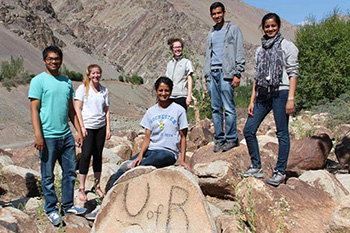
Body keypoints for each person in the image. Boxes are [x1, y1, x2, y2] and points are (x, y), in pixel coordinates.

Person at [28, 46, 86, 226]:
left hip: (66, 135)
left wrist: (77, 131)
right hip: (48, 136)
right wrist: (38, 135)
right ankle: (51, 209)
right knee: (48, 175)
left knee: (69, 172)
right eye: (50, 59)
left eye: (57, 59)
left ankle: (68, 205)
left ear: (61, 60)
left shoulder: (66, 82)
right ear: (45, 61)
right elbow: (34, 109)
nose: (54, 61)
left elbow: (71, 110)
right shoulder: (38, 81)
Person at [241, 13, 299, 186]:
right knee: (248, 130)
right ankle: (256, 166)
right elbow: (257, 77)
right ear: (263, 28)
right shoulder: (260, 50)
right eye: (267, 26)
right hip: (262, 94)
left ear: (278, 26)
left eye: (273, 26)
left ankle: (280, 171)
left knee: (282, 133)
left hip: (280, 93)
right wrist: (252, 100)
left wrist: (291, 98)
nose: (270, 29)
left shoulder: (287, 47)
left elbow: (293, 73)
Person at [204, 2, 246, 153]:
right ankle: (219, 139)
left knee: (228, 107)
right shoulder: (212, 32)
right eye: (214, 14)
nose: (217, 16)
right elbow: (208, 54)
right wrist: (207, 75)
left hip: (226, 72)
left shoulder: (233, 29)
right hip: (212, 73)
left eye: (219, 13)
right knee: (216, 108)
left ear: (224, 13)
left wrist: (238, 73)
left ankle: (231, 138)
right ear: (211, 15)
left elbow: (239, 50)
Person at [74, 64, 111, 202]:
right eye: (93, 73)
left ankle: (97, 185)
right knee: (85, 155)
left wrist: (108, 128)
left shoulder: (104, 90)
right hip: (88, 127)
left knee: (98, 156)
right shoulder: (82, 89)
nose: (96, 75)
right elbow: (77, 109)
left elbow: (106, 110)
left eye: (98, 73)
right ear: (89, 75)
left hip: (100, 127)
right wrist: (81, 127)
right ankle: (82, 188)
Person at [166, 38, 194, 111]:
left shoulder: (186, 62)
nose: (177, 49)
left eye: (179, 47)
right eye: (175, 47)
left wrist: (189, 96)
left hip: (181, 96)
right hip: (170, 96)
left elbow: (190, 79)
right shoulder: (169, 64)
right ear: (172, 49)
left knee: (181, 120)